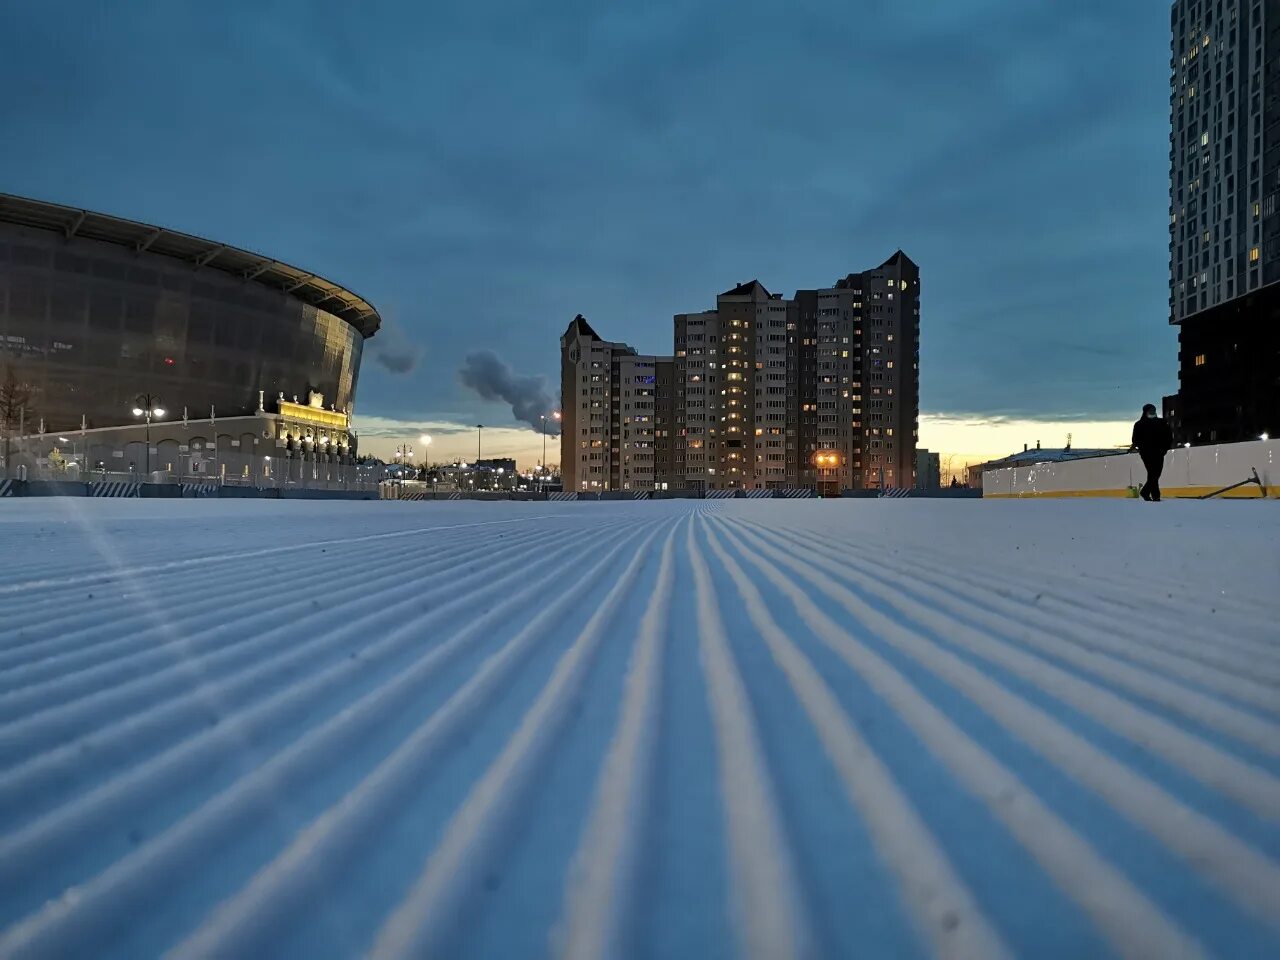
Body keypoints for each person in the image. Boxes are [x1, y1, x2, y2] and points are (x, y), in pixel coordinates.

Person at [1131, 403, 1172, 501]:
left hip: (1159, 452)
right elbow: (1135, 439)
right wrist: (1141, 448)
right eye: (1150, 410)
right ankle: (1155, 495)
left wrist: (1165, 448)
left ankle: (1146, 493)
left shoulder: (1162, 422)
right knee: (1153, 473)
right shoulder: (1139, 425)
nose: (1153, 412)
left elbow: (1169, 436)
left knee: (1155, 474)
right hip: (1146, 453)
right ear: (1145, 412)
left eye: (1154, 410)